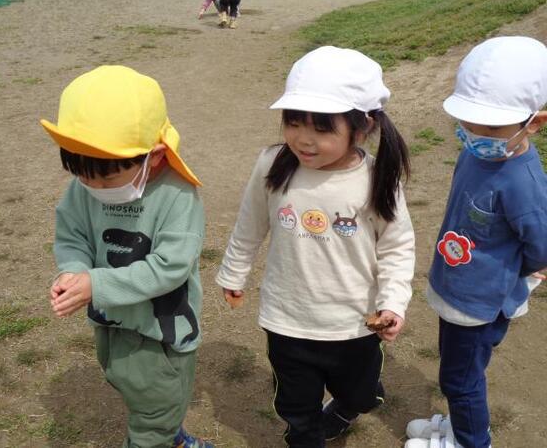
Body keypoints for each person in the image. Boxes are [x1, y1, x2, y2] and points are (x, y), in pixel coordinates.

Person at [216, 46, 415, 447]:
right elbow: (250, 223)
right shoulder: (272, 164)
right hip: (287, 318)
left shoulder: (377, 178)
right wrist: (234, 272)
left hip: (355, 323)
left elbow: (397, 246)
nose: (303, 140)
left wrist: (393, 302)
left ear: (362, 127)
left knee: (359, 394)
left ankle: (351, 405)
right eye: (293, 122)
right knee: (296, 407)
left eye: (322, 129)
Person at [40, 65, 213, 448]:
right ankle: (170, 433)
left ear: (155, 157)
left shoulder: (177, 196)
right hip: (111, 321)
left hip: (161, 334)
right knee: (140, 392)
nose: (93, 186)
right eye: (83, 175)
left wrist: (96, 283)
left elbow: (170, 267)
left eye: (106, 178)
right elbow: (72, 236)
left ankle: (163, 436)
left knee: (155, 413)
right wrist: (74, 271)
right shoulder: (82, 190)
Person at [405, 36, 547, 448]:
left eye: (491, 127)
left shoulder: (523, 182)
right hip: (456, 285)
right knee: (458, 367)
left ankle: (470, 441)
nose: (473, 134)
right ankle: (460, 425)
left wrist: (519, 275)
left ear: (534, 123)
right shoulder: (476, 152)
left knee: (460, 378)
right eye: (467, 122)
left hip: (480, 302)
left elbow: (541, 246)